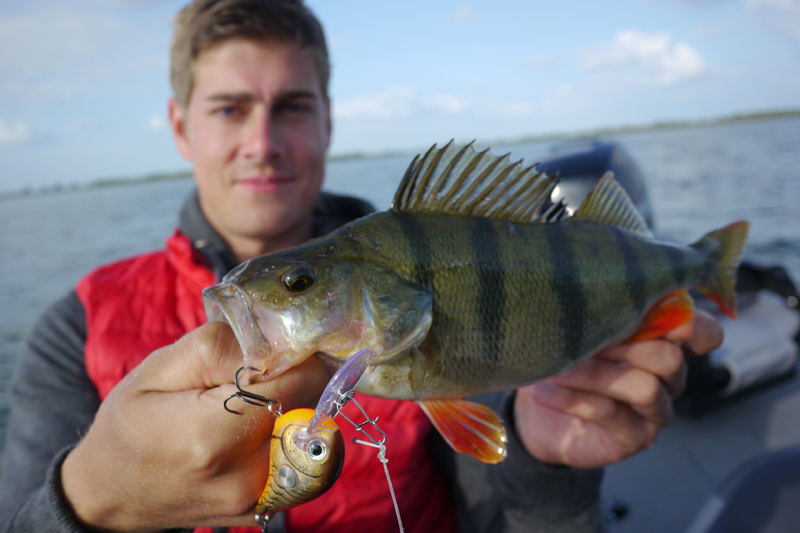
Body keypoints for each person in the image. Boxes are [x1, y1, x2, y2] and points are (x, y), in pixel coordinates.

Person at [0, 0, 724, 531]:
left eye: (291, 106)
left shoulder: (432, 313)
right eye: (229, 109)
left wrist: (547, 460)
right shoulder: (76, 329)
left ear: (327, 120)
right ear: (179, 125)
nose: (262, 142)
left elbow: (508, 508)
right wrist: (90, 499)